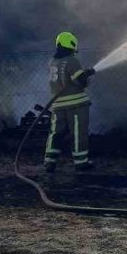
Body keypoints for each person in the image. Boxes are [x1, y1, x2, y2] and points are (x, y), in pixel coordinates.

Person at [44, 32, 95, 173]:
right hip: (76, 105)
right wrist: (87, 75)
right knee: (79, 133)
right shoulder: (72, 61)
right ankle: (81, 161)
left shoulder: (52, 62)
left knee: (55, 133)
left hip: (57, 105)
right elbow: (81, 82)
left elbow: (62, 79)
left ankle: (49, 161)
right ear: (71, 44)